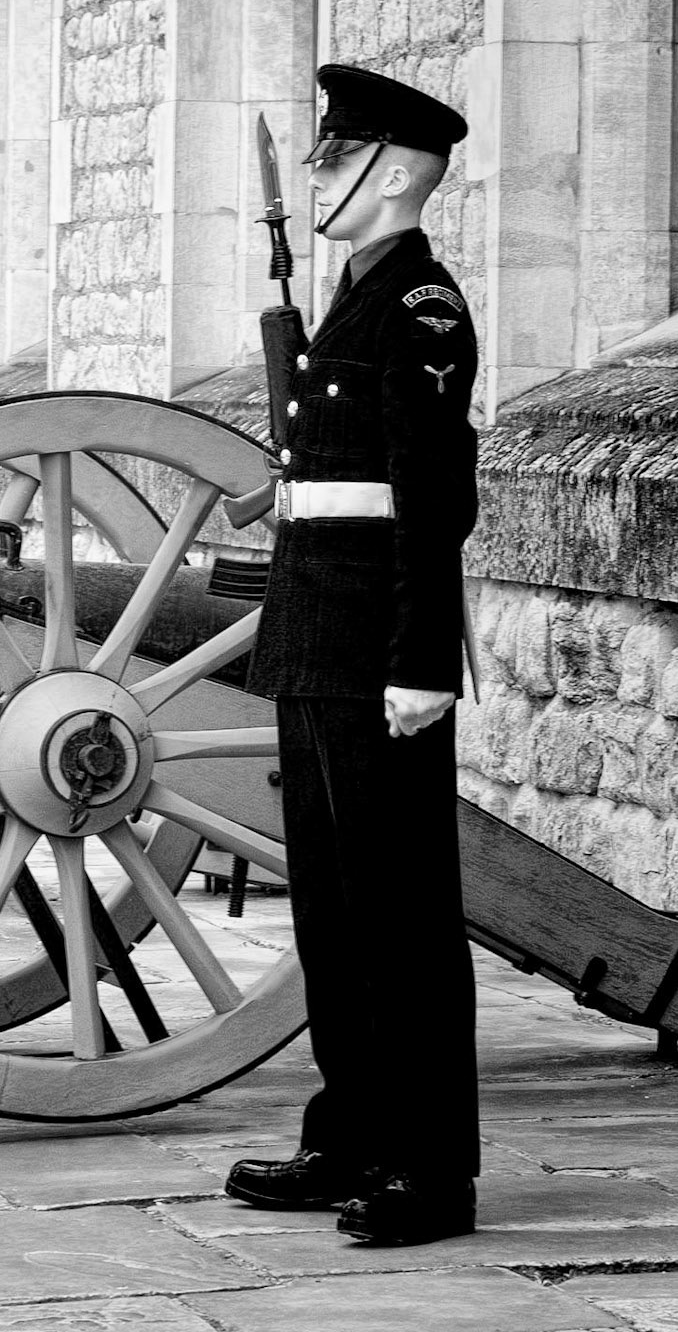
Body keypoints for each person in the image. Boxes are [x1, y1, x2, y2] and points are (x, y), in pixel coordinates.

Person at [225, 62, 481, 1248]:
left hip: (377, 647)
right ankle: (350, 1134)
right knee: (332, 908)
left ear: (388, 171)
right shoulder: (346, 298)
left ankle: (427, 1167)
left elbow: (431, 501)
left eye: (334, 156)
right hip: (314, 636)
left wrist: (422, 659)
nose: (316, 175)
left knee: (402, 914)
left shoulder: (420, 307)